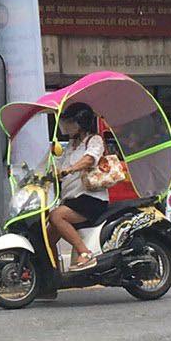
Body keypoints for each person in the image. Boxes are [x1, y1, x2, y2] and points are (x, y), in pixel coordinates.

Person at [47, 105, 108, 270]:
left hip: (90, 199)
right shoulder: (70, 145)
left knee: (56, 216)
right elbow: (58, 166)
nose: (66, 125)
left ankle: (85, 253)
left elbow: (90, 159)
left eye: (70, 122)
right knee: (47, 236)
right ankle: (51, 273)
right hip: (72, 199)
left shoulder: (94, 140)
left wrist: (71, 169)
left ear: (81, 123)